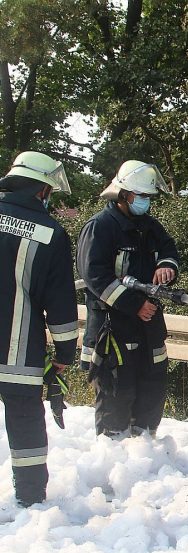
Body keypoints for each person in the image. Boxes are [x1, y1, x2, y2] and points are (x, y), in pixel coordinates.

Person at [77, 160, 179, 437]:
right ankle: (114, 449)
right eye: (141, 195)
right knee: (116, 392)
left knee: (152, 386)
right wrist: (135, 305)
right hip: (113, 327)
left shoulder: (150, 227)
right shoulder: (100, 227)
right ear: (124, 194)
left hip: (148, 326)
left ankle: (145, 444)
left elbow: (168, 248)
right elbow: (95, 275)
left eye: (148, 196)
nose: (146, 201)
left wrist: (166, 265)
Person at [0, 151, 78, 506]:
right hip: (19, 352)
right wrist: (64, 353)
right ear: (42, 190)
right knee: (26, 423)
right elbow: (60, 304)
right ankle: (30, 501)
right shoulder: (51, 233)